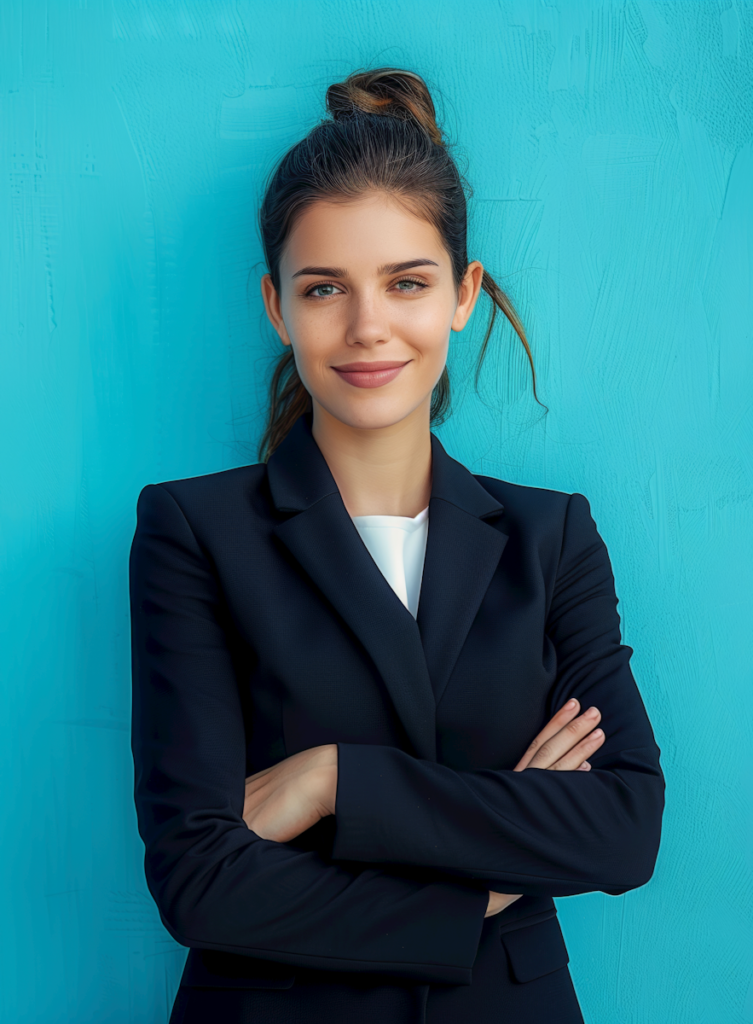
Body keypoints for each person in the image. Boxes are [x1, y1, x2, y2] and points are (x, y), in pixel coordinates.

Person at [129, 68, 665, 1024]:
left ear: (463, 294)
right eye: (324, 288)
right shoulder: (194, 533)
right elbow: (200, 881)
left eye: (406, 282)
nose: (366, 327)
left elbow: (623, 829)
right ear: (275, 305)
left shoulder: (551, 538)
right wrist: (491, 876)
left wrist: (334, 779)